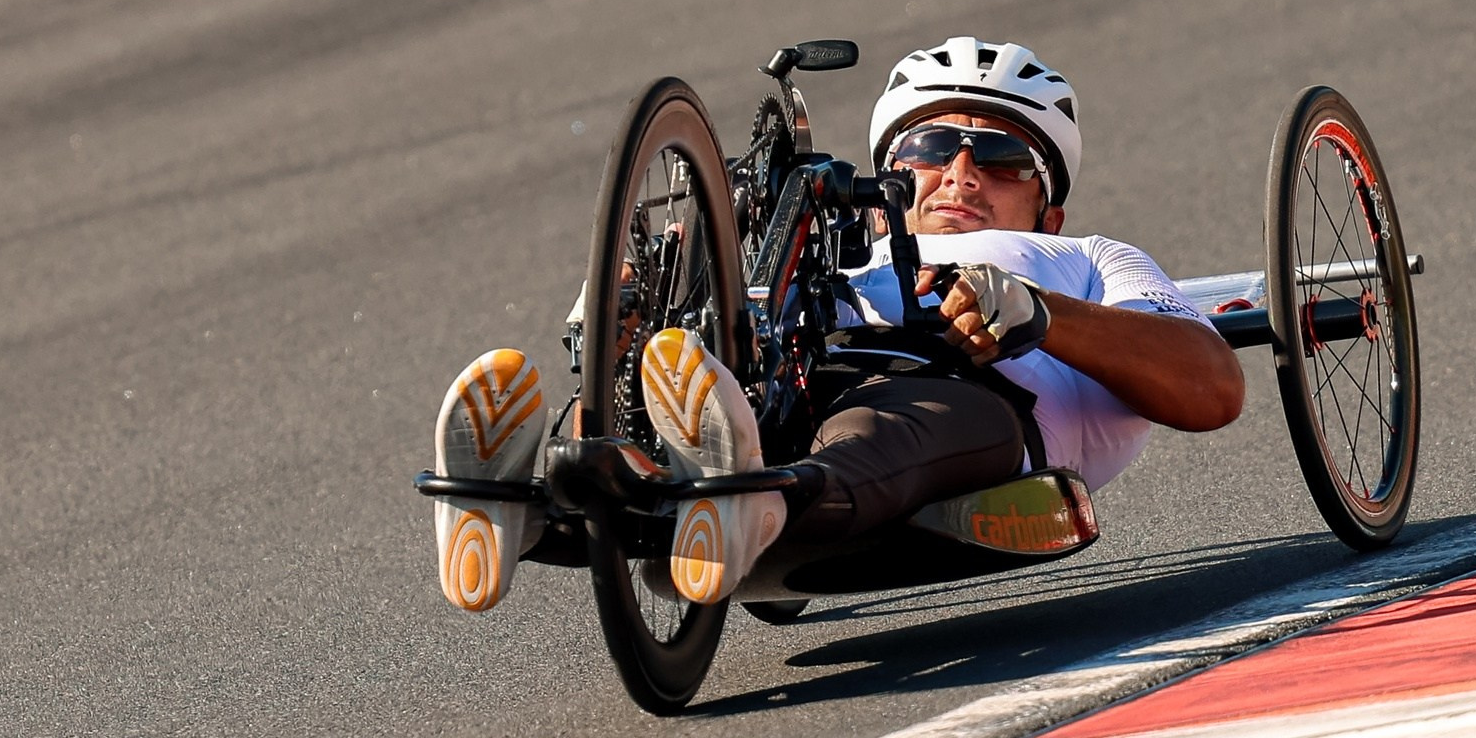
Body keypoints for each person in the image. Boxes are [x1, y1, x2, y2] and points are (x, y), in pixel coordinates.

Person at [429, 36, 1245, 613]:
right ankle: (522, 493)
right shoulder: (834, 241)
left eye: (998, 157)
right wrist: (635, 303)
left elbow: (1211, 382)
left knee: (884, 425)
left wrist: (1038, 314)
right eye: (931, 145)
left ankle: (746, 495)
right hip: (783, 377)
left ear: (1049, 205)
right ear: (892, 171)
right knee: (640, 407)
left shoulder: (1085, 257)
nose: (960, 172)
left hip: (963, 395)